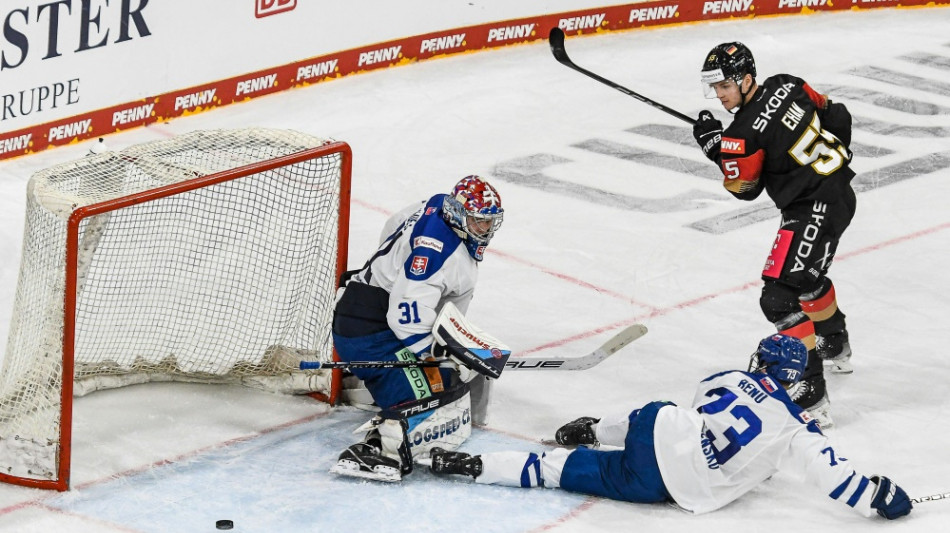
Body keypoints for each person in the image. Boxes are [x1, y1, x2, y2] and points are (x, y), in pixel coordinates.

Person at [429, 334, 913, 521]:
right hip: (671, 489)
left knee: (656, 412)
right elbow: (833, 475)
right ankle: (481, 465)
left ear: (759, 361)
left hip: (659, 436)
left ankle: (584, 431)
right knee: (562, 474)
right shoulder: (798, 427)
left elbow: (700, 408)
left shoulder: (728, 378)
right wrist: (878, 497)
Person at [690, 42, 857, 427]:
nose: (719, 94)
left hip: (810, 208)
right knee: (806, 280)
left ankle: (809, 391)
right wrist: (824, 167)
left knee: (778, 298)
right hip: (839, 195)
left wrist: (715, 146)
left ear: (747, 79)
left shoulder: (741, 134)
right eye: (714, 87)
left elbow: (744, 188)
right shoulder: (790, 84)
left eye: (724, 86)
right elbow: (839, 116)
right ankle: (833, 342)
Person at [330, 175, 505, 482]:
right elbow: (404, 319)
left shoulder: (438, 203)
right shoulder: (438, 254)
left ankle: (377, 377)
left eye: (489, 223)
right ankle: (377, 447)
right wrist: (437, 354)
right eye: (478, 222)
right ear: (460, 215)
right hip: (369, 333)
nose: (485, 231)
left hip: (365, 310)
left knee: (447, 381)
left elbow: (392, 226)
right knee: (431, 400)